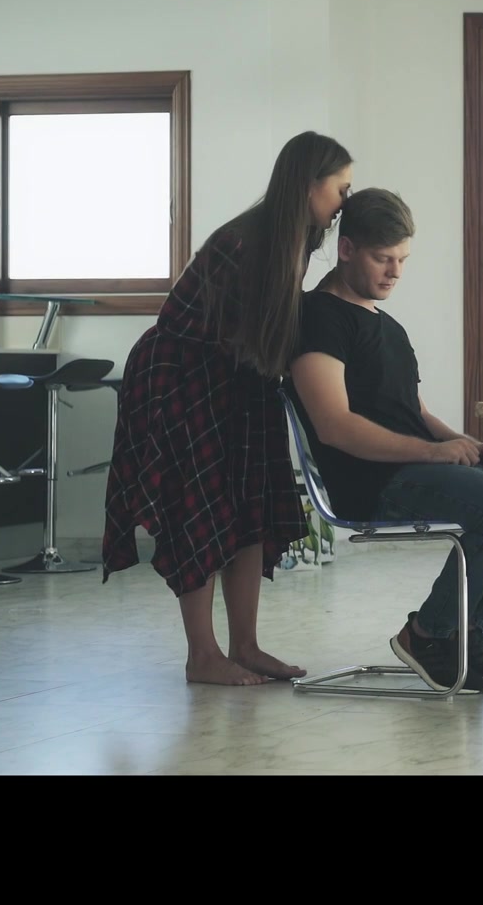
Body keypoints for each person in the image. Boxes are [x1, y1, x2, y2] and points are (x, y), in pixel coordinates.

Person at [287, 188, 483, 692]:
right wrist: (435, 453)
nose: (395, 272)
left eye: (403, 260)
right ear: (346, 249)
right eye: (383, 258)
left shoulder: (389, 327)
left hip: (422, 467)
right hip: (372, 481)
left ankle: (465, 631)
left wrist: (466, 443)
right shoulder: (318, 318)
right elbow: (334, 425)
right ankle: (427, 633)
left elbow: (417, 413)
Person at [100, 130, 354, 686]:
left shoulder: (294, 241)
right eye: (340, 189)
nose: (345, 201)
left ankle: (245, 645)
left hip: (240, 377)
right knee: (199, 509)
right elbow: (238, 331)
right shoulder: (244, 241)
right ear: (308, 186)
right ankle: (203, 655)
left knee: (252, 509)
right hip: (184, 377)